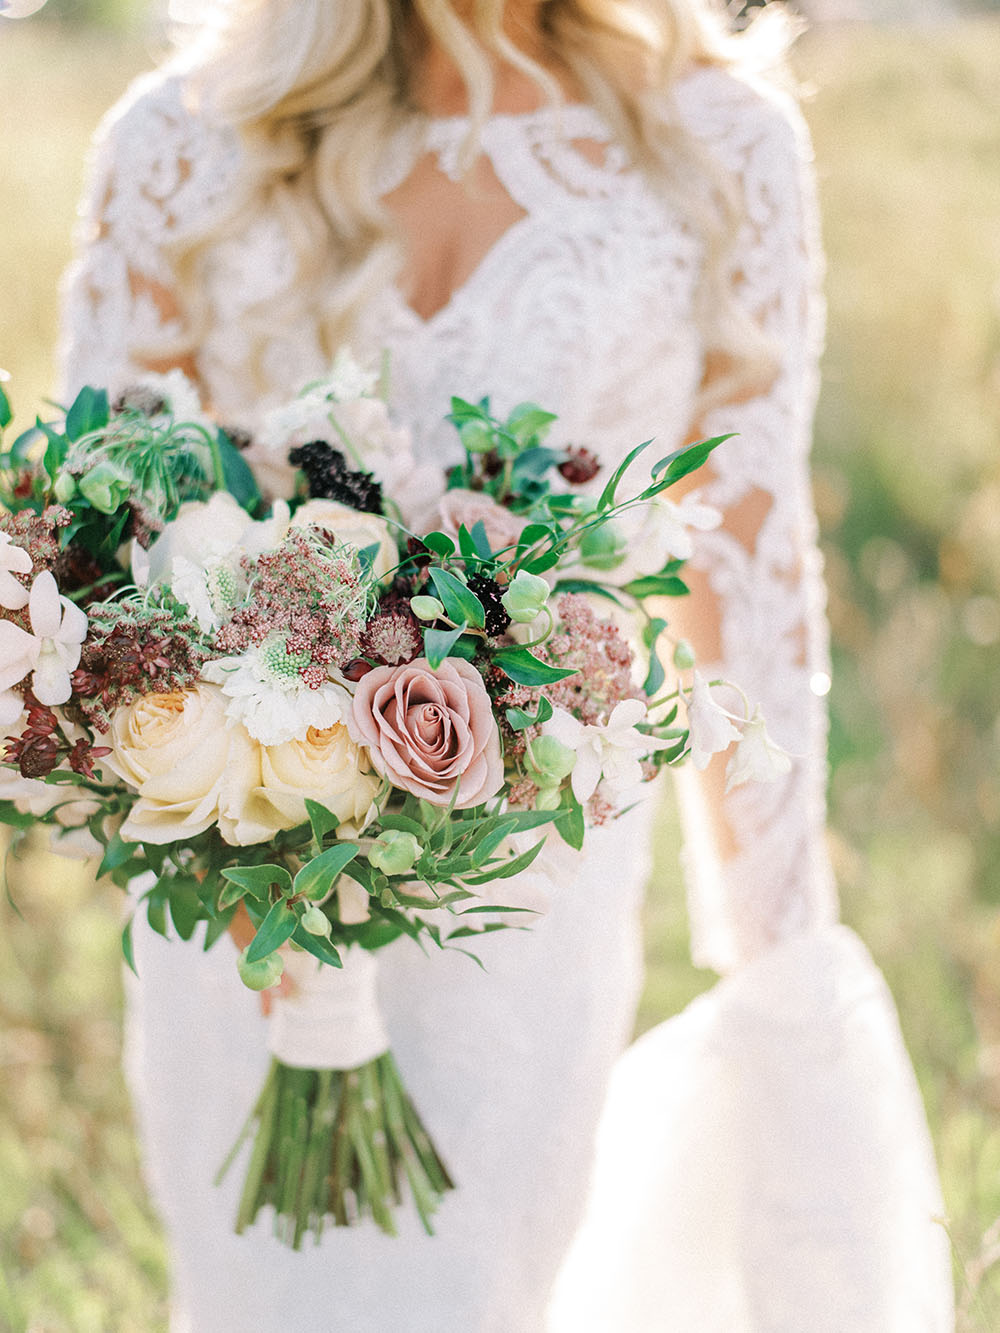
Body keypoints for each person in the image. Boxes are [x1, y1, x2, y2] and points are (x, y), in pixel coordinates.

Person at [58, 0, 954, 1327]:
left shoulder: (716, 142)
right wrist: (207, 812)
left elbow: (744, 563)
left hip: (528, 897)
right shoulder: (181, 141)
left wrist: (782, 959)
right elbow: (96, 540)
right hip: (244, 895)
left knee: (476, 1287)